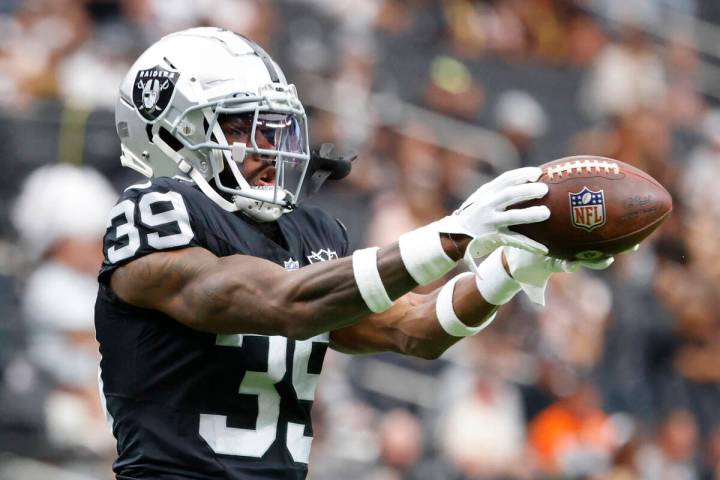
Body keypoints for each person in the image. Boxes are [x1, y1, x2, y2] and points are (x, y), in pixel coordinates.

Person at [95, 27, 610, 480]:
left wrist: (510, 267)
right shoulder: (157, 212)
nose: (267, 144)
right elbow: (279, 300)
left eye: (272, 126)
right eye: (239, 126)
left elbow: (417, 329)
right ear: (169, 135)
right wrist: (453, 234)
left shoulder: (308, 231)